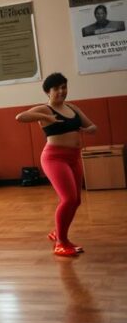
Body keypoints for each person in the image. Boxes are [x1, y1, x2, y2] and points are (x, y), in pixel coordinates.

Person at [16, 72, 98, 257]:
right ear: (48, 92)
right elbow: (20, 117)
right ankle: (61, 242)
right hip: (54, 158)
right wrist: (46, 118)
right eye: (57, 88)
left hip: (74, 157)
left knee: (76, 200)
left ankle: (57, 232)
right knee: (68, 198)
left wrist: (87, 129)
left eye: (64, 87)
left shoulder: (73, 108)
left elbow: (93, 127)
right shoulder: (45, 109)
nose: (61, 91)